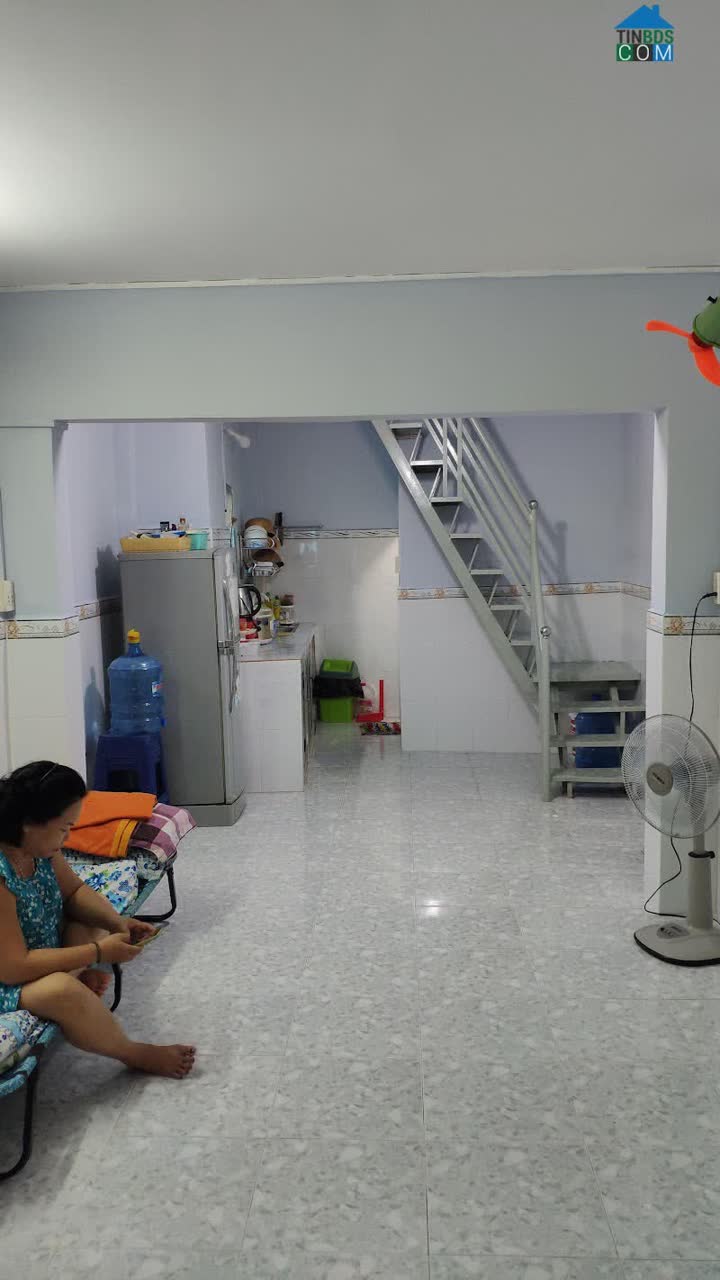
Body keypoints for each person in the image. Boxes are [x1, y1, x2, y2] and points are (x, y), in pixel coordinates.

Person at [0, 761, 195, 1079]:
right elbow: (13, 967)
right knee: (61, 991)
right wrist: (97, 953)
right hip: (9, 978)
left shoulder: (39, 849)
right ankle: (134, 1053)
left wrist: (118, 923)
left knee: (88, 918)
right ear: (29, 823)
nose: (67, 837)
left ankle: (76, 975)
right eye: (64, 828)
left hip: (38, 950)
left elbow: (74, 892)